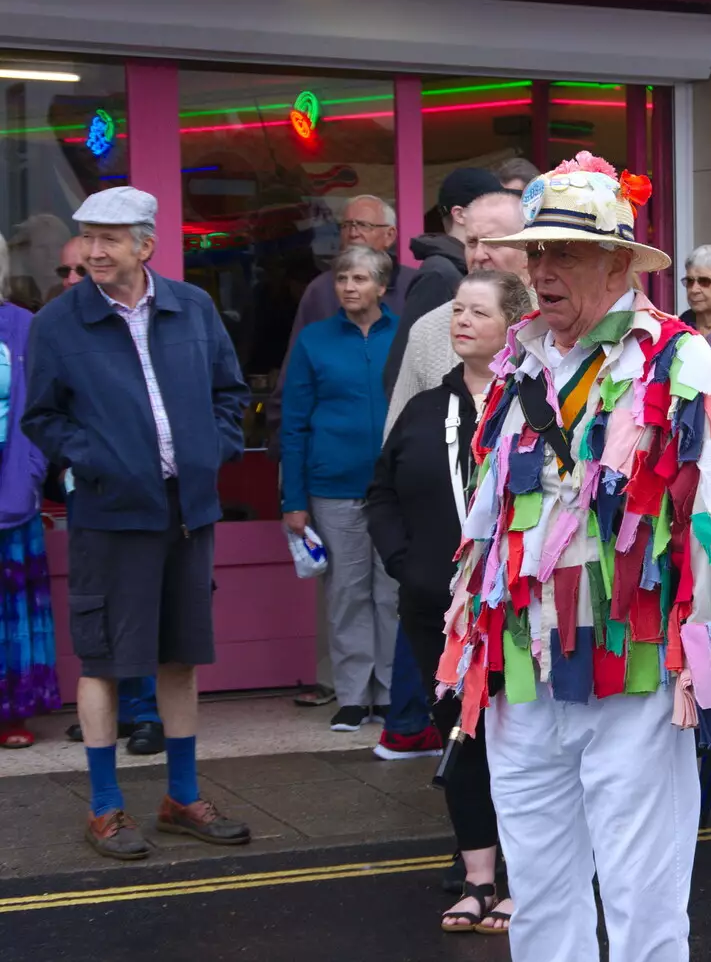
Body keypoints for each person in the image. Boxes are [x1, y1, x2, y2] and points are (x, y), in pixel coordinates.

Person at [436, 152, 711, 962]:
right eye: (534, 252)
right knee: (538, 898)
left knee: (644, 900)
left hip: (635, 675)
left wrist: (701, 662)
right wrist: (472, 636)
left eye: (563, 252)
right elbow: (488, 516)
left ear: (618, 261)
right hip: (522, 673)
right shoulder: (516, 362)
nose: (541, 270)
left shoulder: (682, 364)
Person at [23, 186, 251, 860]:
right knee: (103, 661)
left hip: (188, 511)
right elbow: (43, 417)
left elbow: (229, 392)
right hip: (109, 513)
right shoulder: (58, 323)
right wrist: (101, 462)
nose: (93, 250)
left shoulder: (194, 306)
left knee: (180, 655)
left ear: (145, 246)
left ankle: (181, 795)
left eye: (109, 238)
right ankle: (104, 808)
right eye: (87, 236)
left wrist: (213, 450)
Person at [367, 268, 533, 933]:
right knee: (459, 739)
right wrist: (408, 566)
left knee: (521, 742)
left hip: (517, 610)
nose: (459, 321)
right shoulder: (424, 409)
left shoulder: (533, 404)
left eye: (476, 312)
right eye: (456, 311)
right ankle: (479, 878)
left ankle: (527, 876)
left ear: (511, 325)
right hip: (434, 606)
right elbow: (378, 494)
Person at [273, 193, 416, 709]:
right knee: (347, 594)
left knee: (391, 594)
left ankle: (390, 697)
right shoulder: (314, 341)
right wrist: (293, 499)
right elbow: (294, 423)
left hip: (394, 488)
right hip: (332, 487)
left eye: (360, 279)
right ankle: (354, 698)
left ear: (382, 286)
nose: (349, 287)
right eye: (342, 279)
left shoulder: (406, 336)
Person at [383, 190, 527, 437]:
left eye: (493, 242)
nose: (479, 255)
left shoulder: (556, 324)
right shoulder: (428, 330)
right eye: (472, 243)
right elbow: (397, 440)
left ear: (527, 246)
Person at [382, 169, 514, 396]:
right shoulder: (438, 274)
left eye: (494, 243)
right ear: (460, 214)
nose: (481, 254)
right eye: (487, 202)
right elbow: (402, 376)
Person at [0, 235, 57, 749]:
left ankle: (10, 713)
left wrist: (32, 470)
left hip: (10, 485)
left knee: (9, 606)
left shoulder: (24, 325)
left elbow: (43, 408)